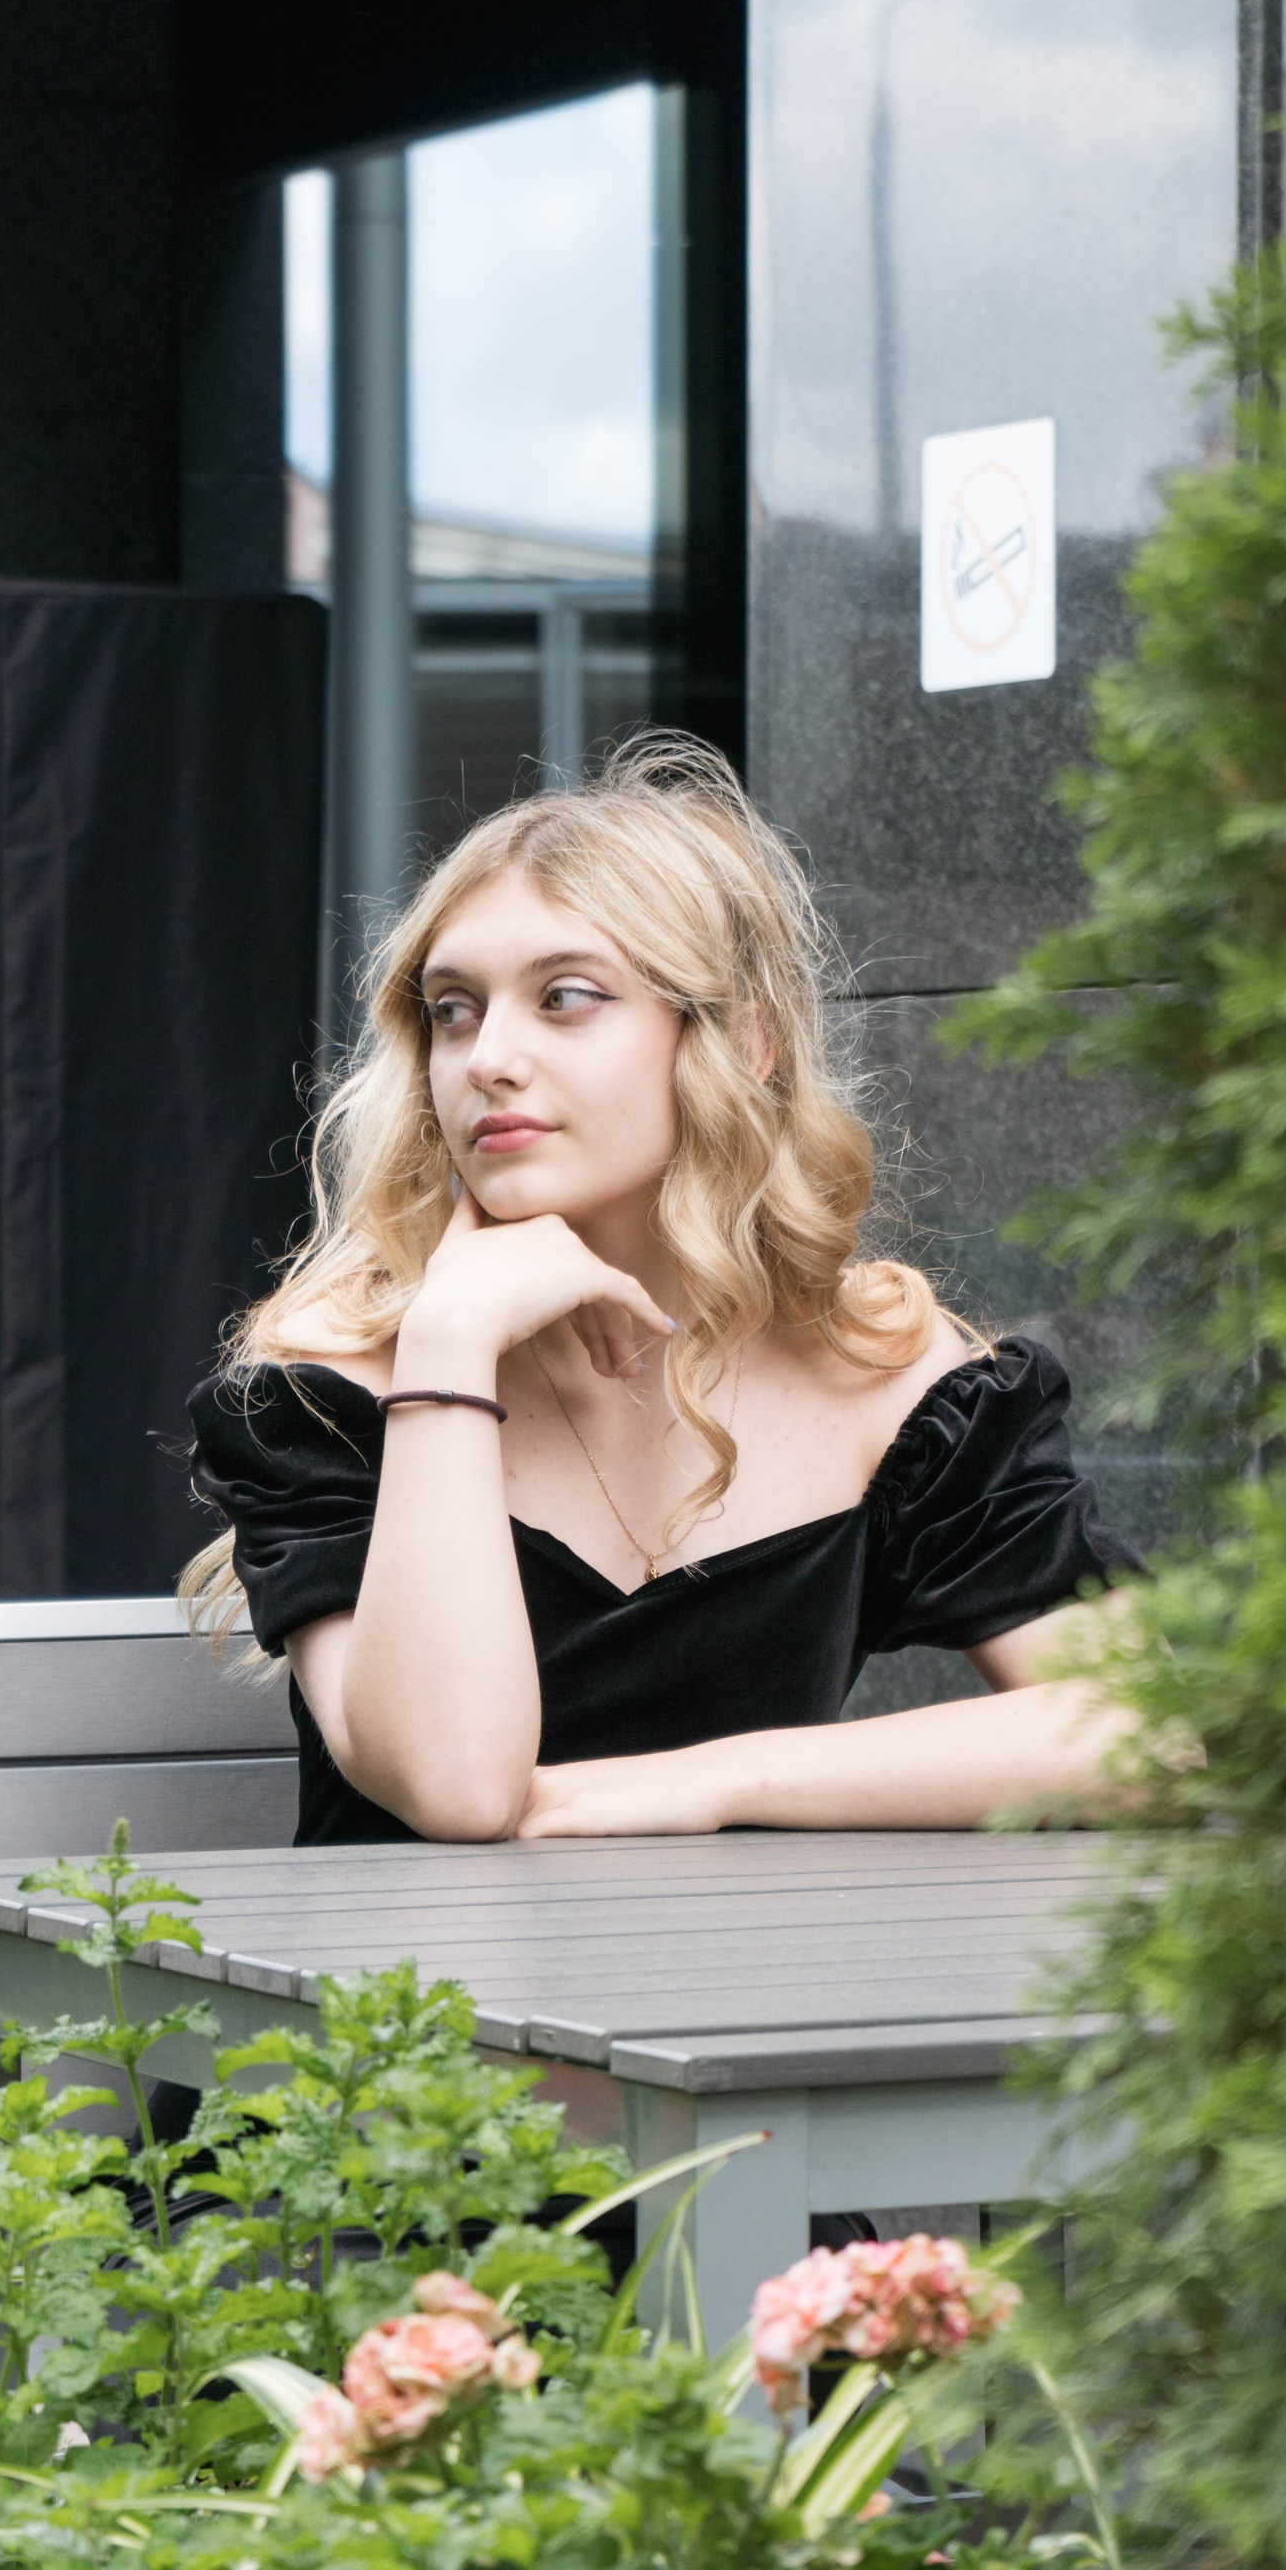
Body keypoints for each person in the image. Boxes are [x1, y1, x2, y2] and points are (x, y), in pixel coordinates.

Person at [184, 737, 1155, 1847]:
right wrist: (448, 1340)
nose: (487, 1057)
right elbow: (458, 1791)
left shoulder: (879, 1374)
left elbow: (1149, 1728)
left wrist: (719, 1781)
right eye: (453, 1009)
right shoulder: (327, 1389)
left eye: (566, 997)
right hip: (412, 1966)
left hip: (744, 1960)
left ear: (743, 1042)